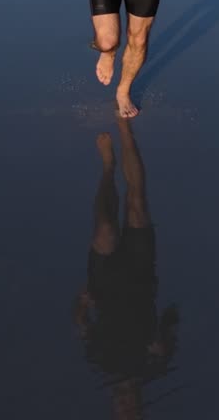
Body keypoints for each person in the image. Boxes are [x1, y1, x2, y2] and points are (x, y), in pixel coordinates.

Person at [73, 120, 180, 418]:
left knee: (106, 227)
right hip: (140, 277)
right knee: (137, 203)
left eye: (121, 411)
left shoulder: (101, 363)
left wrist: (82, 303)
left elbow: (80, 322)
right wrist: (164, 339)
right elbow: (172, 318)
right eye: (133, 411)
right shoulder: (154, 366)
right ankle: (125, 131)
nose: (126, 406)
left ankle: (108, 168)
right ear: (141, 407)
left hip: (105, 284)